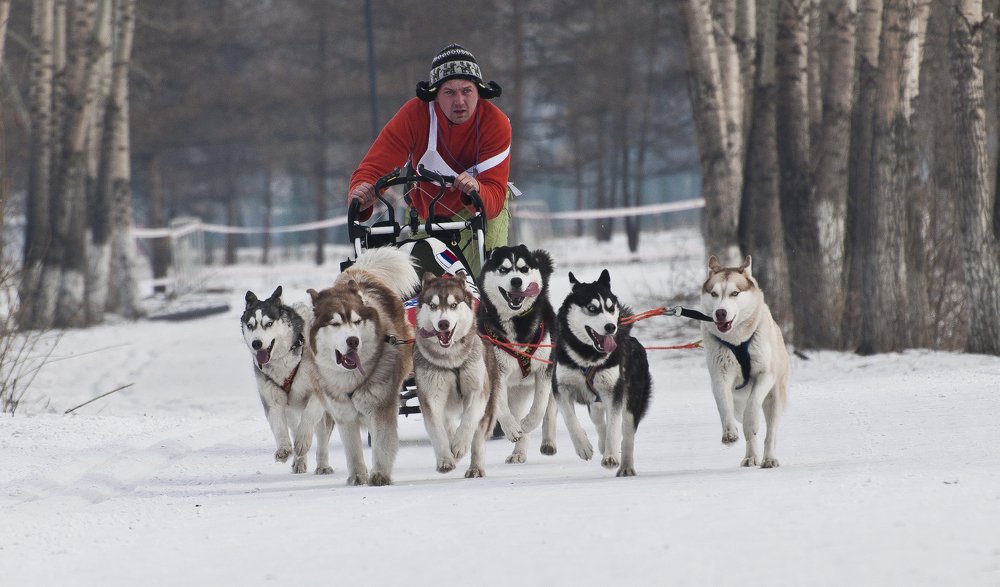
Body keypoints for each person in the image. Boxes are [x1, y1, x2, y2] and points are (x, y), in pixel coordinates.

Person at [346, 44, 512, 276]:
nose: (460, 102)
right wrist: (362, 194)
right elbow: (374, 167)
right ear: (435, 94)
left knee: (485, 281)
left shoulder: (495, 123)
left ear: (479, 91)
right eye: (449, 92)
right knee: (423, 287)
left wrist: (475, 191)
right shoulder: (415, 115)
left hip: (481, 212)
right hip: (425, 211)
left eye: (466, 91)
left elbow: (494, 194)